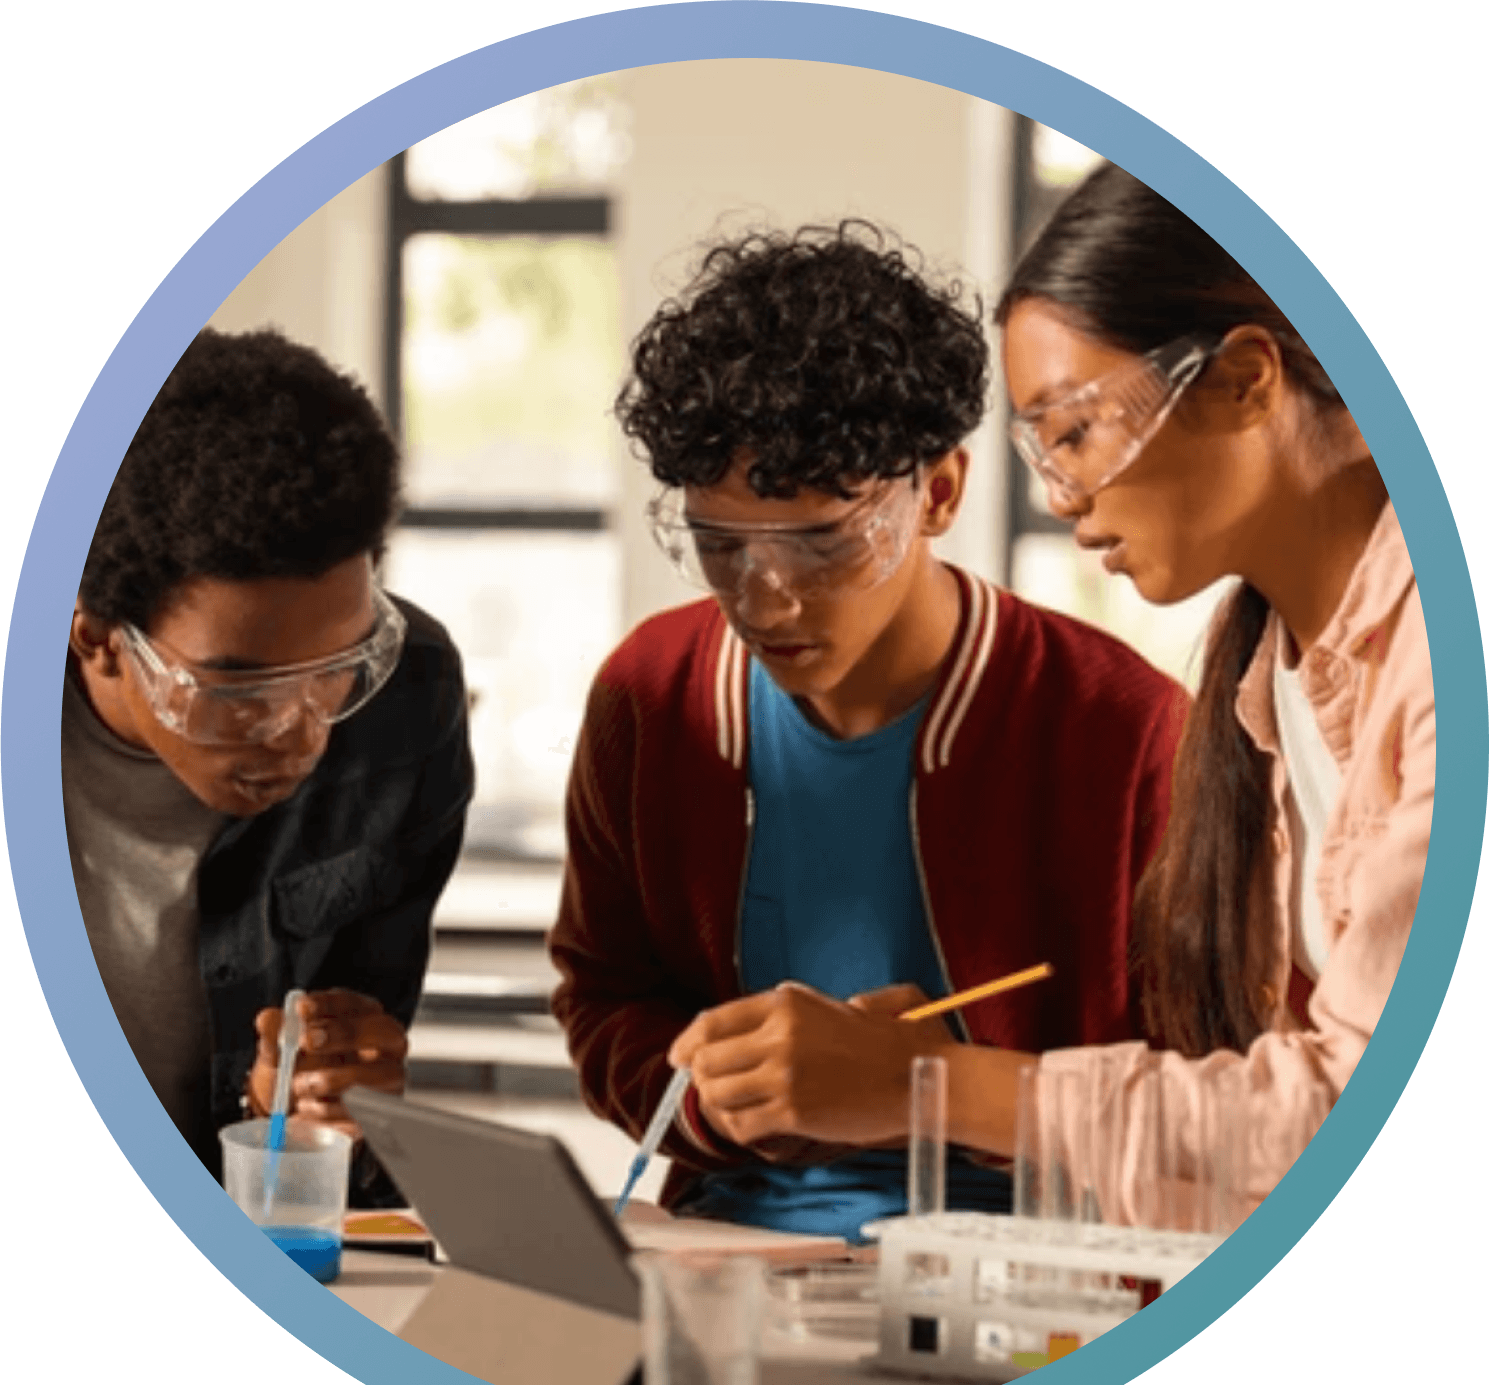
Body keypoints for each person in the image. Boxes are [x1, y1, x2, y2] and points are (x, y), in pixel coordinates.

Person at [549, 223, 1187, 1238]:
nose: (765, 601)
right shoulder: (650, 693)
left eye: (819, 544)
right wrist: (726, 1103)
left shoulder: (1122, 726)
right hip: (726, 1239)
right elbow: (603, 997)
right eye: (719, 545)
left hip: (1030, 1258)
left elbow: (1205, 1099)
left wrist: (925, 1087)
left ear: (936, 493)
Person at [992, 163, 1434, 1217]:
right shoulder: (1260, 679)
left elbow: (1369, 1111)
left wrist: (928, 1092)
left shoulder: (1433, 649)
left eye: (1073, 431)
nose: (1059, 496)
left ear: (1244, 379)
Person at [65, 327, 475, 1204]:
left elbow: (332, 1160)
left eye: (339, 667)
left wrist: (319, 1116)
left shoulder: (408, 704)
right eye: (238, 686)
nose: (300, 730)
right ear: (99, 639)